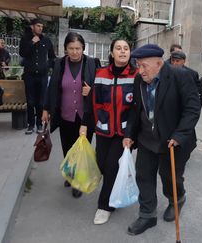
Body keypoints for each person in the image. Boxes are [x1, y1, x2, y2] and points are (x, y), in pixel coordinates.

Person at [123, 44, 200, 235]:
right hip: (147, 138)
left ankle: (177, 198)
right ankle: (147, 215)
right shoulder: (139, 80)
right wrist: (129, 135)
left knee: (170, 177)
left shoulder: (180, 76)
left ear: (158, 63)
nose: (140, 71)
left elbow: (192, 108)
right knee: (144, 176)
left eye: (143, 66)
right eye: (138, 65)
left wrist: (179, 135)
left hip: (172, 140)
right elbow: (135, 109)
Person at [80, 39, 138, 225]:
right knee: (102, 165)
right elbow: (91, 101)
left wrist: (131, 134)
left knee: (112, 167)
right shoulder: (100, 74)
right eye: (118, 48)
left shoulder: (136, 75)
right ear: (112, 53)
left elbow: (137, 108)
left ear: (130, 53)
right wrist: (85, 123)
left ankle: (105, 206)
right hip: (103, 129)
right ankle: (114, 193)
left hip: (124, 133)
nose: (122, 52)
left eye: (126, 49)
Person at [42, 32, 96, 199]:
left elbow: (101, 87)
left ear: (83, 48)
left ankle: (77, 182)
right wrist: (46, 109)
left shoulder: (92, 63)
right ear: (65, 49)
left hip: (85, 116)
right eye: (71, 48)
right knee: (68, 149)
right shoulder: (59, 64)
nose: (74, 52)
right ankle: (71, 175)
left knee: (81, 150)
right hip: (64, 114)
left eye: (78, 48)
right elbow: (51, 88)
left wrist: (92, 90)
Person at [20, 18, 56, 135]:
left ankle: (39, 124)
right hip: (29, 75)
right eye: (38, 26)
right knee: (30, 101)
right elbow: (22, 53)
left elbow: (52, 56)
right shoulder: (25, 39)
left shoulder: (46, 40)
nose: (40, 28)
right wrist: (32, 43)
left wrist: (48, 66)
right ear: (32, 27)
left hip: (42, 75)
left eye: (41, 26)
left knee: (41, 102)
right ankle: (30, 125)